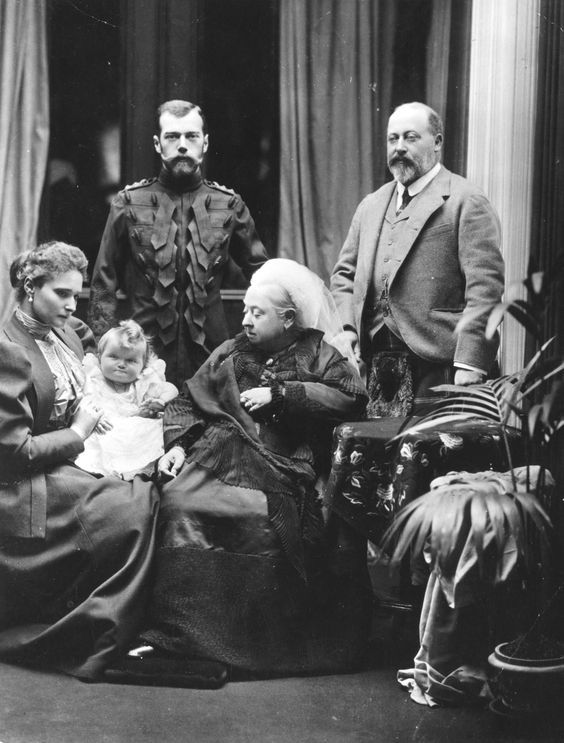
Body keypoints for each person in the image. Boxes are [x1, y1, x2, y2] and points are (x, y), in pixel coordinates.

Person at [109, 259, 371, 687]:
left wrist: (284, 394)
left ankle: (250, 640)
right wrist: (176, 447)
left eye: (257, 313)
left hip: (285, 458)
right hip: (220, 451)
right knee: (177, 502)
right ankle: (182, 634)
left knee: (255, 514)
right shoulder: (230, 351)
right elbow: (188, 401)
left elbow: (350, 398)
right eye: (245, 310)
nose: (245, 320)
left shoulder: (320, 353)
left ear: (289, 319)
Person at [0, 242, 159, 681]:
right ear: (30, 287)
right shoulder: (7, 348)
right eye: (62, 294)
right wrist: (78, 432)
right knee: (130, 506)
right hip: (27, 484)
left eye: (77, 295)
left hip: (74, 458)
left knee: (149, 488)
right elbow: (15, 454)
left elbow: (110, 361)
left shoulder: (67, 331)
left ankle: (135, 623)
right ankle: (99, 633)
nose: (73, 306)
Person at [330, 102, 505, 417]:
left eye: (410, 138)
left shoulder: (466, 202)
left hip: (441, 368)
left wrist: (470, 361)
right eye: (392, 139)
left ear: (437, 143)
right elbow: (344, 274)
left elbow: (485, 290)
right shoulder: (371, 206)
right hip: (376, 371)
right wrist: (347, 328)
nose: (399, 148)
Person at [88, 99, 270, 387]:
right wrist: (103, 349)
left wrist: (262, 345)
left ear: (205, 143)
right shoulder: (127, 203)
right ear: (158, 144)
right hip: (142, 357)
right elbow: (103, 284)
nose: (182, 145)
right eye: (172, 137)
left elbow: (265, 280)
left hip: (212, 358)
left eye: (191, 136)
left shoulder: (229, 205)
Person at [75, 320, 178, 479]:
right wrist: (93, 416)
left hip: (135, 434)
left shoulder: (143, 382)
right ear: (100, 356)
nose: (121, 364)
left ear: (143, 365)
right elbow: (82, 400)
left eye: (131, 360)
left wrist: (162, 401)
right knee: (95, 439)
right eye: (114, 357)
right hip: (105, 429)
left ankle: (137, 471)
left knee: (154, 429)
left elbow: (171, 389)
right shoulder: (94, 378)